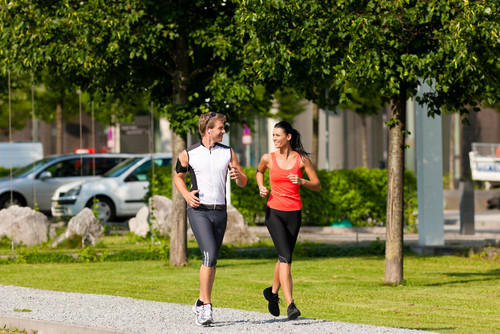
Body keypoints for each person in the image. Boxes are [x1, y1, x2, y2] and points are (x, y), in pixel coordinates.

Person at [174, 112, 247, 326]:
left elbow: (243, 181)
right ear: (209, 130)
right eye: (220, 128)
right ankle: (206, 306)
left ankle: (200, 300)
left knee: (212, 259)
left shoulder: (228, 152)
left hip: (220, 212)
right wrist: (186, 195)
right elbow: (179, 177)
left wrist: (239, 176)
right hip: (199, 211)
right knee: (209, 255)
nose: (223, 131)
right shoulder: (189, 154)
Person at [256, 120, 321, 320]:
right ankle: (290, 304)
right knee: (286, 258)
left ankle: (272, 294)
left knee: (283, 258)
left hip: (294, 213)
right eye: (273, 135)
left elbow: (317, 185)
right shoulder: (267, 158)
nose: (274, 139)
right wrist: (261, 187)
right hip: (274, 212)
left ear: (288, 137)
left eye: (278, 135)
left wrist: (302, 181)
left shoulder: (301, 159)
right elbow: (259, 172)